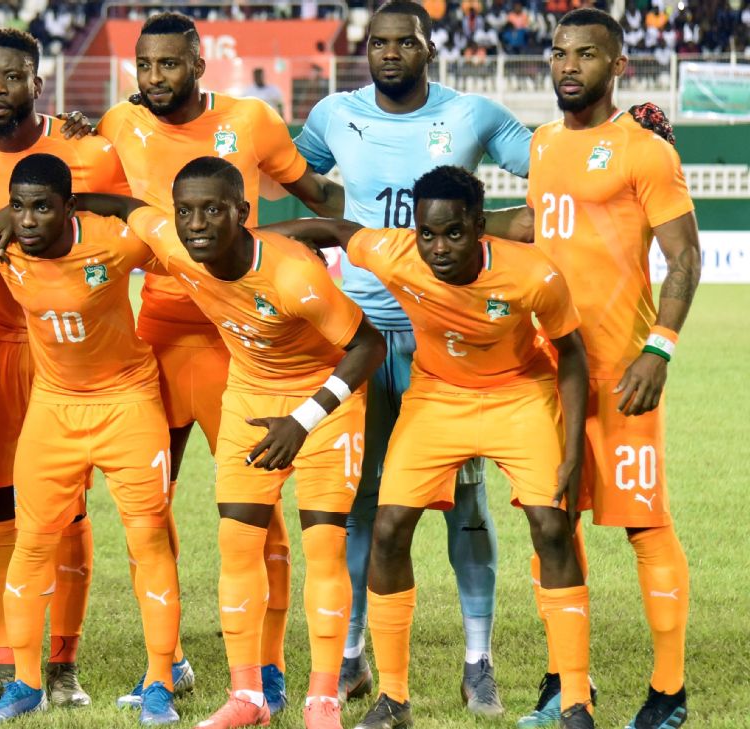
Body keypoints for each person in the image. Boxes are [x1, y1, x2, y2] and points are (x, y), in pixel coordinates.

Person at [37, 156, 385, 729]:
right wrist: (24, 210)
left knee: (324, 546)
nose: (196, 224)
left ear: (242, 213)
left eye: (212, 210)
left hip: (323, 404)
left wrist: (303, 419)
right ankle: (248, 696)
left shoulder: (293, 276)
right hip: (248, 398)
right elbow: (126, 207)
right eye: (186, 211)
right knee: (236, 545)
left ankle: (322, 700)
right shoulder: (175, 244)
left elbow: (369, 346)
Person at [266, 165, 594, 729]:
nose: (438, 248)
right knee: (389, 528)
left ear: (479, 227)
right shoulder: (397, 254)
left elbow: (572, 353)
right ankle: (393, 698)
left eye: (454, 233)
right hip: (438, 396)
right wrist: (258, 242)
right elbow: (336, 230)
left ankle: (575, 702)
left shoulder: (533, 274)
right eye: (427, 234)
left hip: (518, 394)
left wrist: (572, 450)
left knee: (551, 526)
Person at [95, 12, 344, 712]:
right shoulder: (120, 122)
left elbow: (322, 197)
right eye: (145, 65)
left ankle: (268, 668)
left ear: (199, 65)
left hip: (236, 338)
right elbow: (82, 179)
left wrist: (332, 235)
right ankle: (164, 664)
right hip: (154, 329)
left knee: (255, 509)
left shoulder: (251, 121)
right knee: (147, 504)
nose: (154, 77)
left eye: (169, 64)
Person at [292, 0, 531, 711]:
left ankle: (478, 660)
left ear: (430, 49)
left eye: (404, 42)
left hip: (446, 336)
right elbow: (293, 174)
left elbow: (555, 170)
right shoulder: (334, 114)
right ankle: (354, 656)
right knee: (360, 500)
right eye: (378, 43)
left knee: (467, 501)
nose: (389, 53)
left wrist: (491, 229)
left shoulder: (473, 115)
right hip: (358, 336)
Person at [0, 28, 130, 710]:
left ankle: (63, 663)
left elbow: (122, 223)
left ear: (38, 84)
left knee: (65, 512)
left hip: (59, 351)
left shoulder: (85, 149)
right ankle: (5, 658)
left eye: (13, 76)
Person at [517, 9, 700, 729]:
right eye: (560, 53)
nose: (569, 66)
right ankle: (567, 686)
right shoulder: (540, 143)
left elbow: (685, 256)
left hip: (621, 372)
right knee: (551, 524)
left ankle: (669, 692)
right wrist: (453, 224)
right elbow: (536, 224)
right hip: (545, 370)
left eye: (587, 55)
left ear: (618, 65)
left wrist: (660, 348)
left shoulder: (643, 151)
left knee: (644, 527)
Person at [0, 154, 181, 725]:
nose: (28, 221)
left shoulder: (113, 244)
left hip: (127, 404)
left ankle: (161, 681)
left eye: (43, 208)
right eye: (19, 208)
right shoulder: (2, 243)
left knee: (148, 542)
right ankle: (26, 684)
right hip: (53, 408)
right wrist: (0, 214)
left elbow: (162, 226)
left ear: (68, 208)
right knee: (31, 544)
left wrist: (95, 201)